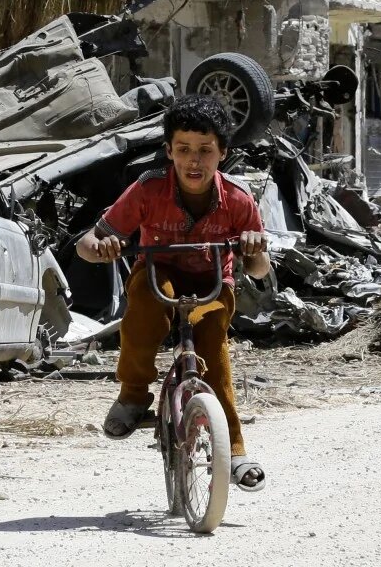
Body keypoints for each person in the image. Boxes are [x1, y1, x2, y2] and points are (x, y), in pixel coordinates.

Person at [77, 94, 271, 493]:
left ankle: (234, 450)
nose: (193, 161)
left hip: (213, 283)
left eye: (205, 151)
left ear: (223, 153)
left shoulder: (238, 199)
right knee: (143, 311)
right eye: (183, 150)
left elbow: (259, 269)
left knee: (214, 346)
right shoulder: (148, 190)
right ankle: (132, 395)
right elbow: (88, 241)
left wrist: (254, 248)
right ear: (169, 151)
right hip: (158, 273)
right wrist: (100, 246)